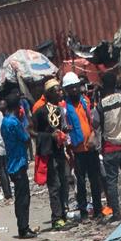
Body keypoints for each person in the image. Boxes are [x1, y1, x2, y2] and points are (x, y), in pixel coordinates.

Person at [62, 73, 106, 222]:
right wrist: (68, 150)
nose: (74, 90)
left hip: (90, 148)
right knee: (80, 183)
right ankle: (84, 212)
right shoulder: (65, 108)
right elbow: (65, 129)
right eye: (70, 88)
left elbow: (92, 121)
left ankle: (98, 210)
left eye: (75, 87)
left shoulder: (85, 101)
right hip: (77, 151)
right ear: (67, 90)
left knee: (95, 180)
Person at [31, 79, 71, 230]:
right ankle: (56, 219)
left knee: (64, 182)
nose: (61, 92)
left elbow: (61, 127)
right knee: (54, 185)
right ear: (50, 93)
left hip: (60, 151)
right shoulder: (40, 111)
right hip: (48, 153)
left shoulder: (60, 109)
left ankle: (63, 214)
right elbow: (31, 130)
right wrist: (48, 136)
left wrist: (64, 133)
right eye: (58, 90)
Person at [97, 71, 121, 220]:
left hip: (110, 148)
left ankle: (117, 212)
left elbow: (96, 124)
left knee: (112, 181)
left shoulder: (101, 105)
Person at [1, 98, 34, 238]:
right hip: (18, 163)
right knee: (23, 198)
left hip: (12, 162)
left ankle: (23, 226)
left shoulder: (4, 122)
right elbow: (26, 138)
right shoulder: (14, 122)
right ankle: (23, 227)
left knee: (20, 197)